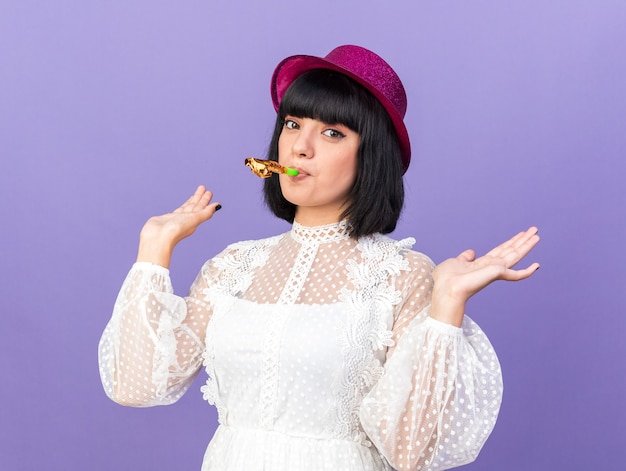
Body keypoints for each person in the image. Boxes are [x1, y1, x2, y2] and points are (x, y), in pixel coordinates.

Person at [98, 45, 540, 471]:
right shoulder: (232, 267)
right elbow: (136, 386)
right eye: (292, 124)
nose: (300, 147)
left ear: (371, 155)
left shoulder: (402, 275)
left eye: (332, 132)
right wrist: (153, 249)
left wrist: (446, 304)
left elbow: (411, 452)